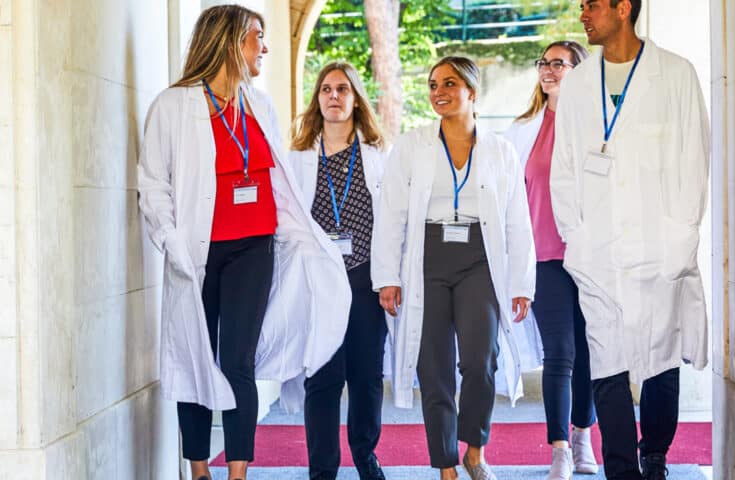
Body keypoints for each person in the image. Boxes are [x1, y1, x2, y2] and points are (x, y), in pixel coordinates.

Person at [137, 6, 350, 480]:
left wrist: (303, 241)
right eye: (258, 37)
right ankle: (198, 470)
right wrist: (171, 241)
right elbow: (152, 185)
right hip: (196, 252)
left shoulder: (259, 104)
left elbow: (278, 182)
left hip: (254, 248)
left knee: (238, 360)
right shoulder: (172, 106)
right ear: (231, 41)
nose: (264, 48)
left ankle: (237, 472)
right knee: (194, 353)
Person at [549, 1, 710, 479]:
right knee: (607, 359)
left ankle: (654, 452)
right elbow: (565, 167)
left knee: (660, 356)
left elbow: (693, 160)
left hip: (659, 247)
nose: (583, 14)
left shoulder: (676, 74)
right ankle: (621, 467)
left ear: (623, 8)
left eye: (592, 5)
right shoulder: (578, 83)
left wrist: (681, 239)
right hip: (597, 248)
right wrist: (574, 237)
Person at [371, 56, 536, 480]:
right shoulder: (411, 145)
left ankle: (474, 451)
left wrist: (521, 282)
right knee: (433, 365)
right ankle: (445, 464)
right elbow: (390, 213)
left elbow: (518, 219)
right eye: (432, 85)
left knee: (482, 359)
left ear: (472, 92)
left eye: (449, 83)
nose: (438, 91)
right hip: (427, 259)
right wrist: (387, 277)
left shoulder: (500, 150)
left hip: (480, 260)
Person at [503, 40, 599, 479]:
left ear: (580, 69)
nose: (548, 70)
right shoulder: (522, 130)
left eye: (559, 63)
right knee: (560, 352)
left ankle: (583, 436)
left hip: (592, 256)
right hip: (543, 258)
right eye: (544, 63)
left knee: (590, 351)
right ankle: (560, 447)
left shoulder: (597, 125)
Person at [288, 62, 389, 480]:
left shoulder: (379, 156)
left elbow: (393, 221)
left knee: (366, 377)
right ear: (317, 99)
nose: (333, 96)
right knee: (323, 378)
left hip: (365, 279)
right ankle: (322, 469)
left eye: (342, 89)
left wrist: (391, 279)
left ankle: (366, 457)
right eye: (326, 89)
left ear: (355, 99)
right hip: (319, 283)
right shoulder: (296, 160)